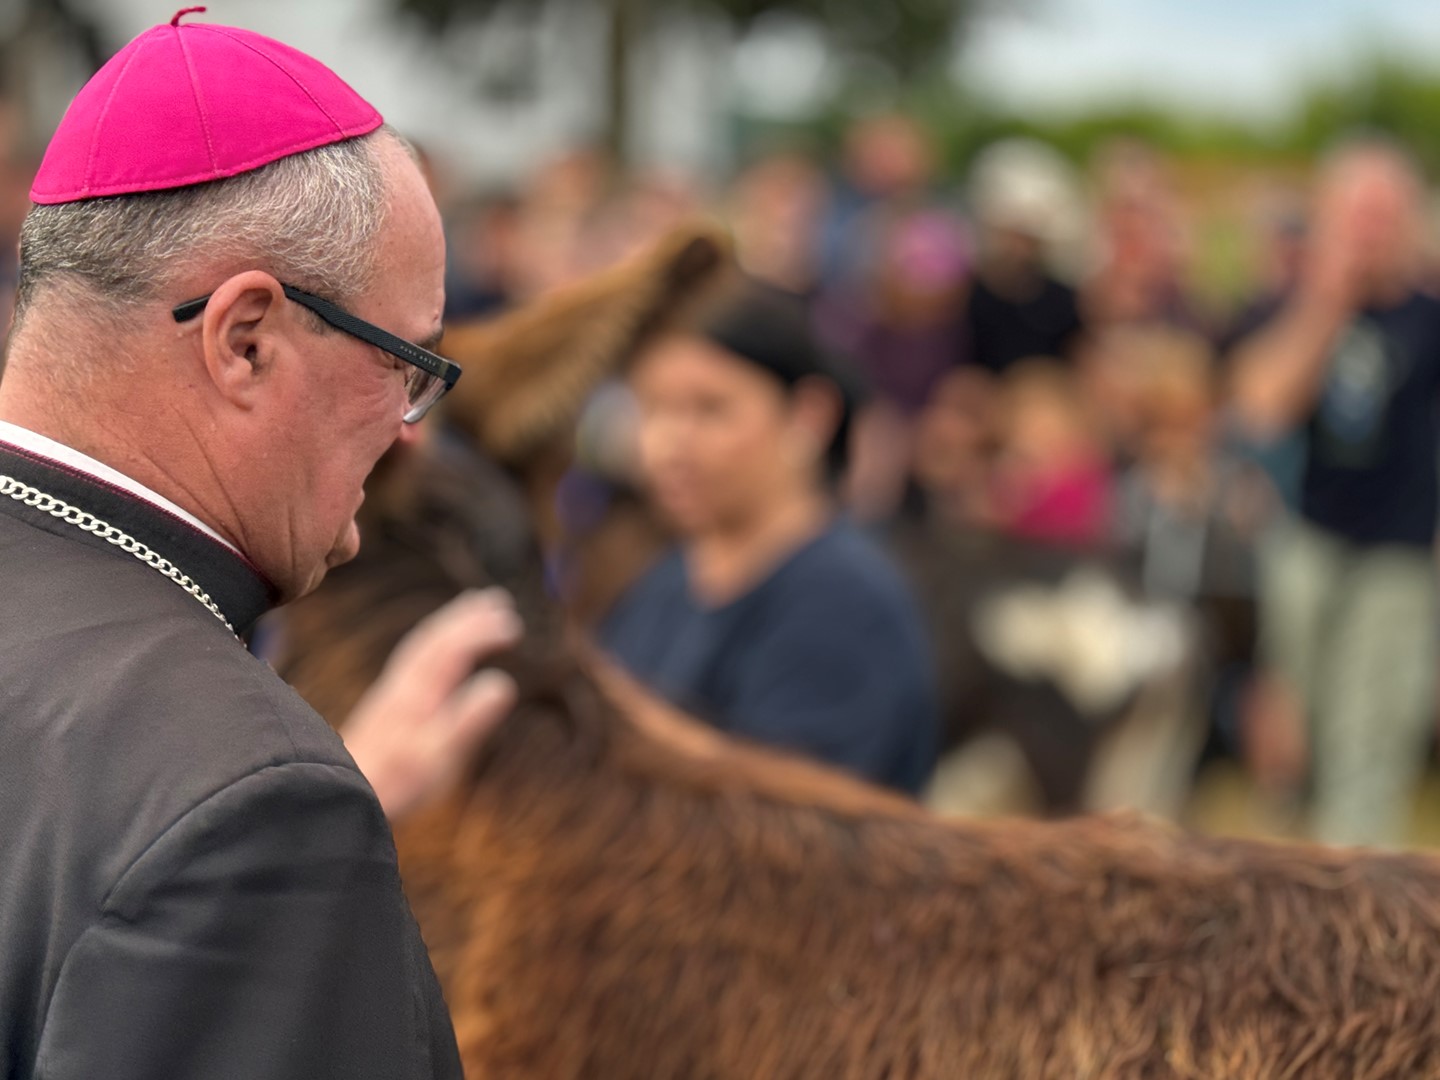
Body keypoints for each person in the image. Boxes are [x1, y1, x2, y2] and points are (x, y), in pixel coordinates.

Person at [0, 13, 519, 1078]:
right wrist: (263, 810)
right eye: (406, 364)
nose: (407, 428)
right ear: (245, 339)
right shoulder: (251, 808)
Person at [599, 278, 939, 795]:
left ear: (808, 416)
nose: (670, 443)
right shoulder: (664, 582)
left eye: (710, 409)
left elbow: (797, 818)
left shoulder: (845, 604)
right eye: (652, 410)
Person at [1230, 137, 1440, 846]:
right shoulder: (1288, 308)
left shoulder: (1430, 317)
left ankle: (1357, 891)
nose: (1371, 231)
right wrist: (1329, 303)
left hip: (1401, 559)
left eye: (1386, 215)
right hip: (1305, 545)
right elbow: (1260, 405)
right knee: (1295, 736)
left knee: (1370, 734)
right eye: (1357, 214)